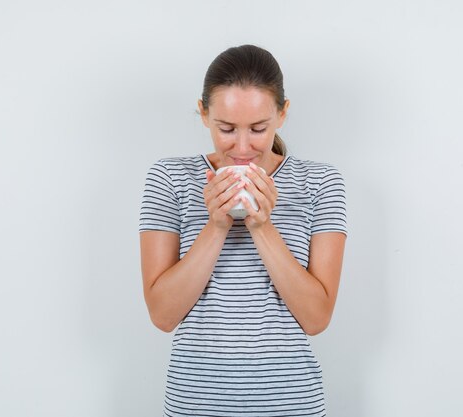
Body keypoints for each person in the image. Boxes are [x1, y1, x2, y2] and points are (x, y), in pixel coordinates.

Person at [139, 44, 347, 417]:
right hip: (194, 403)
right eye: (226, 129)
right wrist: (216, 225)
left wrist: (262, 226)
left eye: (258, 129)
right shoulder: (169, 178)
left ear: (282, 114)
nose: (242, 146)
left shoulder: (321, 182)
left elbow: (317, 319)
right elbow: (163, 315)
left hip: (291, 402)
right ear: (203, 114)